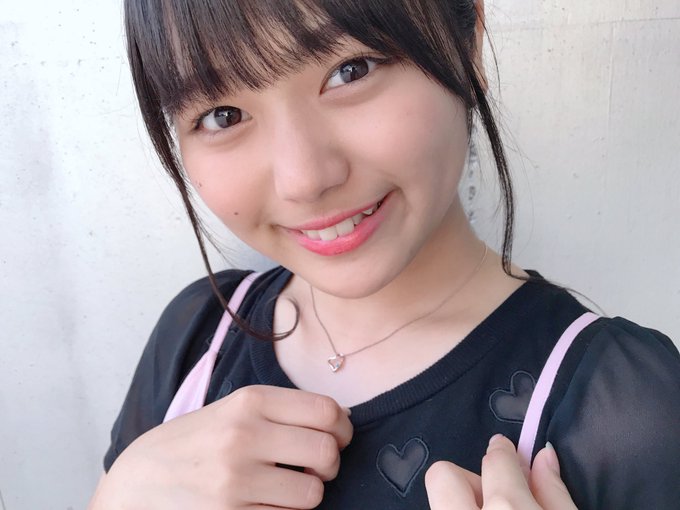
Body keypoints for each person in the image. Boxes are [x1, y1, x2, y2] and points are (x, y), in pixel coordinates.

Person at [89, 0, 680, 508]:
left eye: (351, 70)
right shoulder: (196, 334)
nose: (304, 179)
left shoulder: (625, 409)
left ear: (466, 40)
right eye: (224, 116)